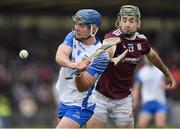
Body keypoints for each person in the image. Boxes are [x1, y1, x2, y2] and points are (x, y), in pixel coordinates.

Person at [87, 5, 175, 128]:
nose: (127, 24)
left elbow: (153, 56)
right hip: (101, 95)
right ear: (119, 22)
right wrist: (111, 57)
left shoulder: (142, 41)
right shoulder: (112, 36)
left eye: (131, 20)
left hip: (123, 99)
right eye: (124, 20)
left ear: (138, 23)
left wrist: (166, 73)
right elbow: (108, 49)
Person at [54, 9, 110, 128]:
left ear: (93, 29)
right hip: (64, 100)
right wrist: (74, 65)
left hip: (81, 105)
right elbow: (60, 55)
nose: (77, 28)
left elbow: (83, 87)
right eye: (76, 24)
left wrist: (79, 73)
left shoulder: (102, 56)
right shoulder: (71, 36)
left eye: (82, 25)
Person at [133, 57, 174, 128]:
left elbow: (173, 83)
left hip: (160, 102)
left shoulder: (162, 69)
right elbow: (136, 88)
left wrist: (164, 86)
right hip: (147, 102)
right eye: (147, 57)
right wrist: (135, 100)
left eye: (151, 57)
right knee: (140, 126)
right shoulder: (141, 71)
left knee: (160, 126)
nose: (149, 59)